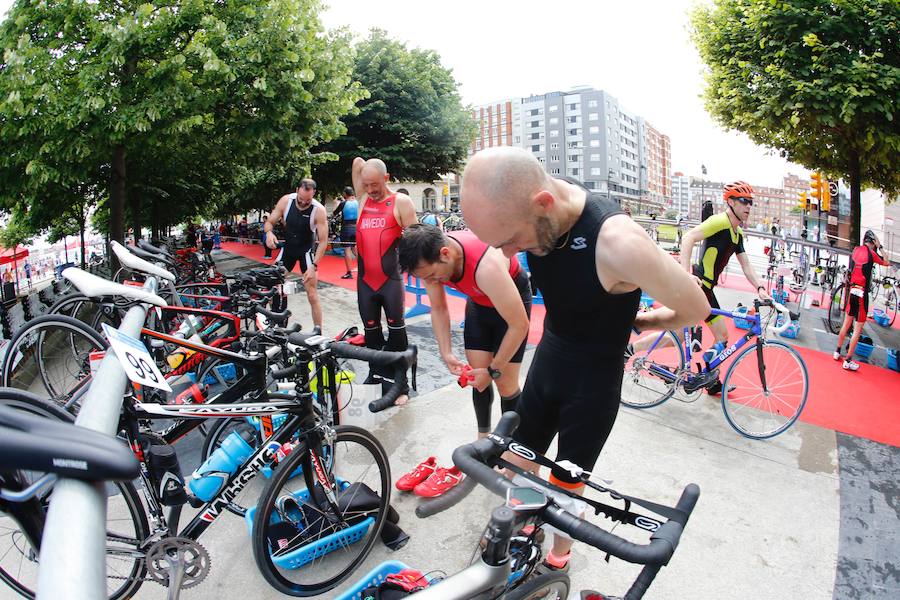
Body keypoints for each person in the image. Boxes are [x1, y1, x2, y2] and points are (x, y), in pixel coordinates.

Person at [460, 147, 710, 575]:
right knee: (517, 455)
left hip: (593, 377)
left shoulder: (619, 242)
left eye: (511, 242)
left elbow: (696, 307)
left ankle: (561, 550)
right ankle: (523, 525)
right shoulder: (546, 207)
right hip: (550, 358)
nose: (507, 257)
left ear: (543, 204)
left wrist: (645, 321)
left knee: (568, 476)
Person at [396, 224, 532, 496]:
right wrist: (446, 352)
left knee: (504, 383)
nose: (433, 281)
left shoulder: (487, 266)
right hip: (479, 307)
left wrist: (494, 370)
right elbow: (438, 307)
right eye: (426, 278)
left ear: (446, 254)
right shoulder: (430, 262)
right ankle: (484, 441)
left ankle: (511, 446)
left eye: (433, 276)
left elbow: (519, 324)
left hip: (511, 306)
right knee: (476, 379)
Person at [675, 181, 771, 395]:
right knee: (681, 335)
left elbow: (746, 265)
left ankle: (709, 381)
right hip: (699, 286)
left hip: (708, 290)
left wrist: (760, 287)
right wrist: (686, 275)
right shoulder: (720, 221)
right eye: (744, 201)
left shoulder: (737, 234)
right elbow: (689, 237)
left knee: (719, 337)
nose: (748, 206)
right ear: (730, 201)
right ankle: (633, 349)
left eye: (751, 203)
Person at [352, 158, 417, 400]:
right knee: (371, 332)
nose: (370, 190)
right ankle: (377, 374)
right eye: (365, 185)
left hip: (390, 281)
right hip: (365, 283)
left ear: (387, 178)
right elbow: (357, 162)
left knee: (397, 332)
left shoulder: (401, 202)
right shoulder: (362, 201)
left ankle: (401, 384)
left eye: (375, 185)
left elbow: (416, 242)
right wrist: (367, 170)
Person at [263, 178, 328, 332]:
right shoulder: (286, 201)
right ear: (297, 189)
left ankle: (318, 332)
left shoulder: (318, 209)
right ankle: (277, 322)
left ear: (314, 194)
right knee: (273, 285)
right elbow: (269, 222)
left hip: (306, 251)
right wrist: (268, 233)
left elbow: (323, 241)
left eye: (308, 200)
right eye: (301, 199)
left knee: (312, 294)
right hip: (288, 250)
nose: (304, 203)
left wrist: (314, 266)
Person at [834, 230, 889, 371]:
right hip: (862, 293)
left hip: (852, 291)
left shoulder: (856, 250)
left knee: (846, 324)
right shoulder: (872, 253)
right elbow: (887, 262)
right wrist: (880, 246)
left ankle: (837, 351)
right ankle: (848, 360)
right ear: (873, 243)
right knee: (857, 329)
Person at [332, 186, 359, 279]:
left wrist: (335, 204)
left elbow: (334, 213)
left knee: (347, 249)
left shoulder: (343, 203)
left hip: (346, 228)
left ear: (345, 194)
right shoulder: (358, 203)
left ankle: (349, 272)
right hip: (356, 227)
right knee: (355, 248)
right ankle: (364, 269)